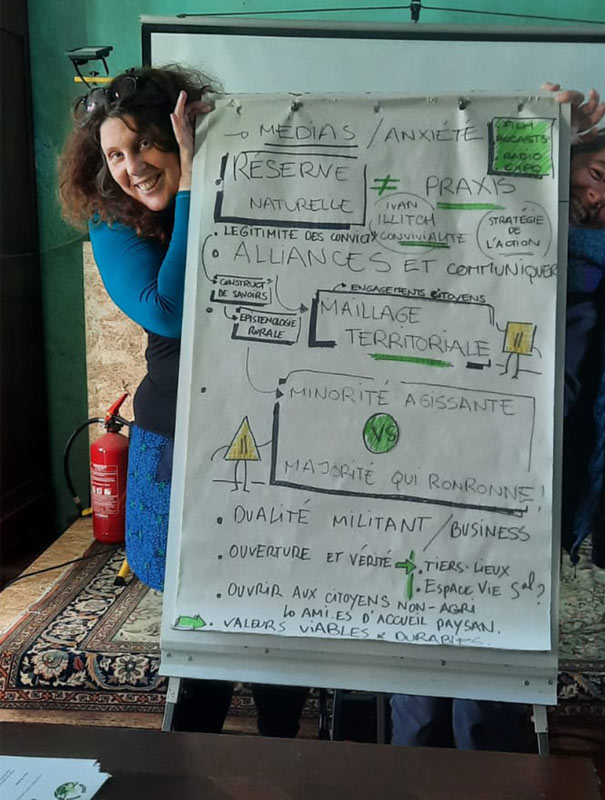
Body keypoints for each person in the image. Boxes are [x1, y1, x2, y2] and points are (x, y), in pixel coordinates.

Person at [390, 86, 605, 750]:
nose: (600, 195)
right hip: (430, 462)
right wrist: (546, 125)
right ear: (572, 157)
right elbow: (465, 168)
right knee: (420, 639)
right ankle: (412, 772)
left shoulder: (603, 283)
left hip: (528, 487)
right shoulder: (477, 220)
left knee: (495, 653)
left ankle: (485, 774)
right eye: (597, 172)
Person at [59, 65, 308, 736]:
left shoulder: (258, 190)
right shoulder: (113, 220)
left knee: (275, 603)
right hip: (180, 433)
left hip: (277, 424)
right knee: (199, 610)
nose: (131, 168)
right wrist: (195, 182)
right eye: (115, 154)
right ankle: (188, 760)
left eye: (145, 144)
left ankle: (283, 747)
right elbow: (168, 310)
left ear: (181, 137)